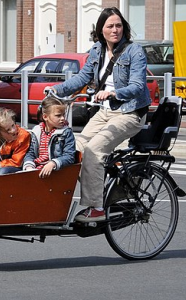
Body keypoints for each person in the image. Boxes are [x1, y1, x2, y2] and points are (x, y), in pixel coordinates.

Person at [45, 7, 151, 222]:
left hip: (130, 113)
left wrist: (114, 92)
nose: (115, 30)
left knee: (94, 151)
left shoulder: (134, 51)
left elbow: (138, 86)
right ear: (101, 30)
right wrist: (58, 89)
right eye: (110, 26)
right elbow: (83, 77)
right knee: (73, 149)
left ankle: (96, 208)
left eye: (119, 25)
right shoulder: (96, 50)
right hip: (105, 112)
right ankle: (66, 199)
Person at [23, 97, 76, 178]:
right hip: (36, 169)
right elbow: (30, 152)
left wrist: (53, 163)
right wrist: (29, 166)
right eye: (58, 115)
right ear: (45, 117)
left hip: (55, 171)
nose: (62, 118)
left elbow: (69, 156)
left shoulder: (66, 132)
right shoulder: (37, 131)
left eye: (63, 115)